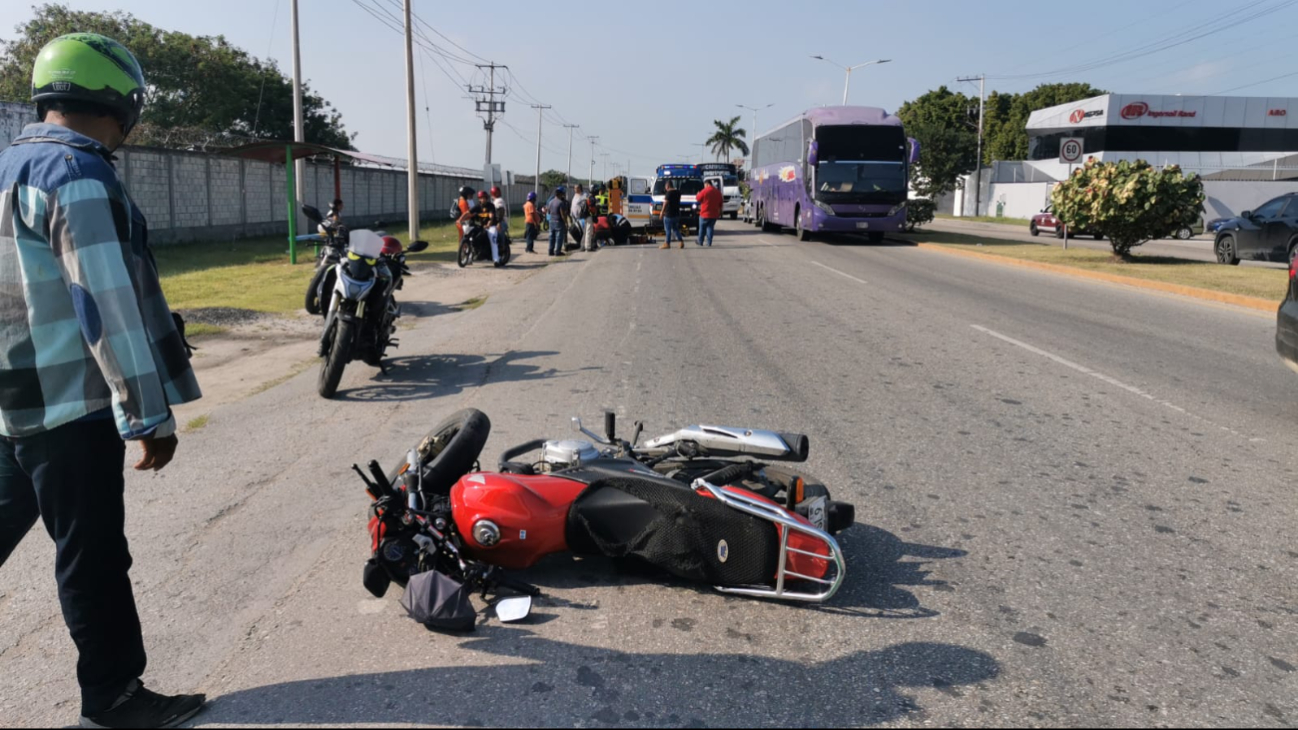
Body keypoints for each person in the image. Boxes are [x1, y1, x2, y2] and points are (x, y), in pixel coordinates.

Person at [0, 33, 206, 729]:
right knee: (91, 558)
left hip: (9, 403)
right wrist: (148, 416)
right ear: (120, 101)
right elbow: (108, 307)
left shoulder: (5, 167)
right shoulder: (78, 176)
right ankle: (113, 699)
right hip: (68, 410)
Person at [460, 190, 503, 266]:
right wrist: (460, 219)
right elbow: (467, 213)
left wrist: (489, 223)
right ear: (479, 199)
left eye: (484, 198)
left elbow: (491, 216)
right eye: (481, 198)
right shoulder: (477, 206)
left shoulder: (491, 205)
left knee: (493, 239)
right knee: (472, 239)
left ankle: (496, 260)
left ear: (486, 198)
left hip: (491, 226)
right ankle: (469, 258)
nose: (482, 199)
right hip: (482, 226)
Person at [696, 179, 722, 247]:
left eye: (704, 185)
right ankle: (709, 242)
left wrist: (698, 194)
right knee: (710, 228)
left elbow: (698, 199)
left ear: (707, 184)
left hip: (704, 213)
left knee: (702, 228)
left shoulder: (704, 191)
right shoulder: (717, 192)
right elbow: (721, 203)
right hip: (714, 214)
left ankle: (700, 241)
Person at [659, 180, 685, 249]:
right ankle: (681, 241)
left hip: (669, 214)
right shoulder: (678, 192)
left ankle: (667, 243)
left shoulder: (669, 193)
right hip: (676, 214)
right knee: (675, 229)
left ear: (667, 186)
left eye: (666, 187)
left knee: (667, 229)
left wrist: (662, 212)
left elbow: (665, 203)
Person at [547, 186, 571, 257]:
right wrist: (566, 222)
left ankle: (550, 251)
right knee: (559, 237)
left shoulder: (551, 202)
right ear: (562, 194)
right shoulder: (561, 203)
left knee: (552, 237)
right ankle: (557, 251)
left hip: (551, 221)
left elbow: (548, 212)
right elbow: (562, 214)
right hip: (559, 222)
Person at [570, 184, 591, 250]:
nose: (575, 189)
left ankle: (584, 245)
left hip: (582, 217)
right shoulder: (575, 196)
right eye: (574, 188)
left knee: (583, 232)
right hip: (575, 218)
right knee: (577, 231)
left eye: (577, 188)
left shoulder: (584, 195)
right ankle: (580, 244)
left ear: (580, 188)